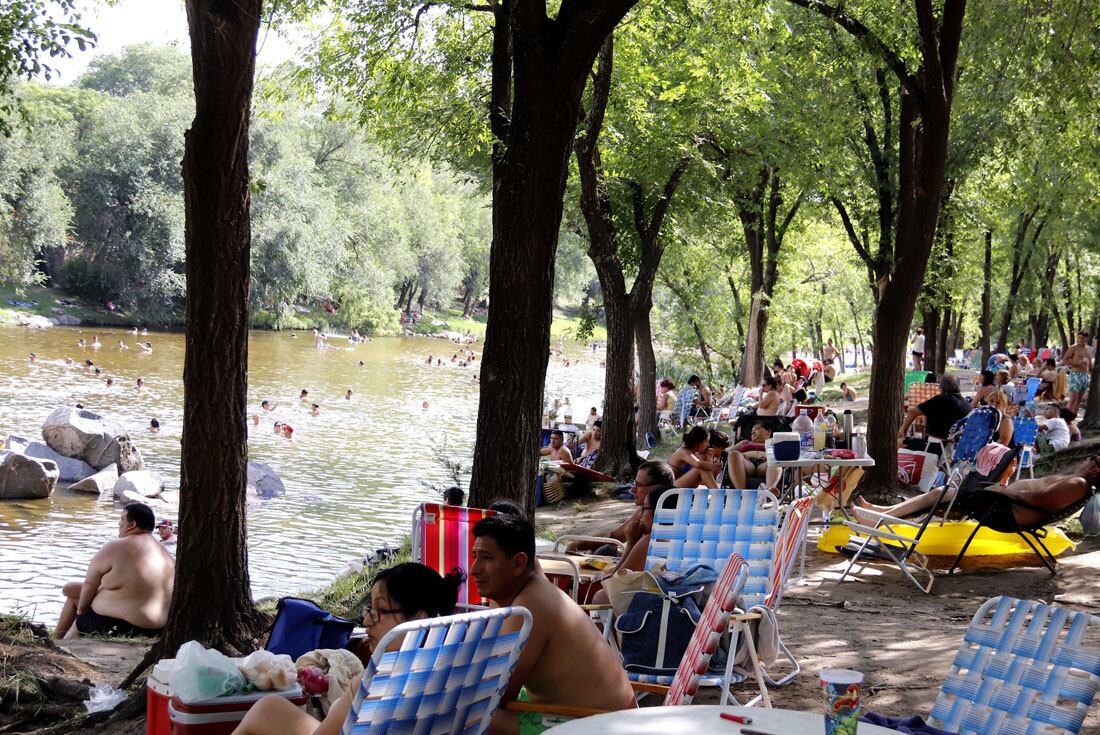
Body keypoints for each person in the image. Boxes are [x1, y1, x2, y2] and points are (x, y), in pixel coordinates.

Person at [232, 563, 464, 735]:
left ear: (417, 621)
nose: (367, 621)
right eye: (369, 609)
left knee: (266, 709)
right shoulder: (457, 665)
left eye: (379, 611)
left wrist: (352, 692)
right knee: (271, 707)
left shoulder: (379, 679)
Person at [469, 515, 636, 734]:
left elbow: (496, 695)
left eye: (486, 558)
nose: (474, 569)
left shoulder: (530, 606)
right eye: (475, 557)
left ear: (519, 563)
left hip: (597, 726)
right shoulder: (535, 589)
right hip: (605, 716)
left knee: (467, 719)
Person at [859, 455, 1100, 528]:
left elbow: (1036, 498)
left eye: (1095, 459)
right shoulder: (1076, 482)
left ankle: (880, 519)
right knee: (943, 498)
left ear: (1095, 469)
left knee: (940, 494)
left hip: (1005, 511)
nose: (1089, 458)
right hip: (1004, 505)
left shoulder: (1076, 484)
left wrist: (1001, 492)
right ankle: (882, 512)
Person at [53, 502, 174, 639]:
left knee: (81, 614)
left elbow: (89, 585)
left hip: (120, 626)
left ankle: (59, 644)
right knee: (73, 593)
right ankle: (56, 641)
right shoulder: (164, 553)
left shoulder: (115, 547)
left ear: (132, 524)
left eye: (122, 519)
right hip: (156, 629)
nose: (119, 524)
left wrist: (81, 612)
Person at [565, 461, 674, 557]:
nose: (632, 489)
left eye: (638, 484)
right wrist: (578, 544)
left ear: (657, 488)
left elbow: (623, 571)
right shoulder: (644, 511)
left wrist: (631, 543)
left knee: (602, 553)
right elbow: (614, 537)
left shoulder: (660, 519)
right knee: (603, 551)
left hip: (656, 574)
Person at [898, 374, 970, 455]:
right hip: (955, 449)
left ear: (941, 388)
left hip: (935, 446)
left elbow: (913, 412)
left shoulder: (941, 400)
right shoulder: (966, 404)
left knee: (898, 443)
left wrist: (903, 430)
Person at [726, 422, 781, 489]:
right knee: (733, 454)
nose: (752, 432)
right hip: (746, 464)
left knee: (777, 457)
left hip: (765, 465)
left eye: (757, 429)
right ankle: (742, 493)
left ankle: (769, 493)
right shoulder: (745, 442)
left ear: (768, 431)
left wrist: (767, 455)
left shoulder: (775, 442)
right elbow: (726, 452)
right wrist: (743, 455)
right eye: (752, 431)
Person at [1063, 330, 1094, 416]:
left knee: (1079, 399)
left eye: (1083, 338)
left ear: (1086, 338)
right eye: (1079, 337)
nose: (1080, 339)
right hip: (1075, 374)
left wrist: (1093, 376)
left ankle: (1072, 418)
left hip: (1085, 375)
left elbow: (1090, 366)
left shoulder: (1089, 349)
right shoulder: (1073, 348)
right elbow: (1065, 360)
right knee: (1073, 398)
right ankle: (1064, 418)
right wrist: (1077, 363)